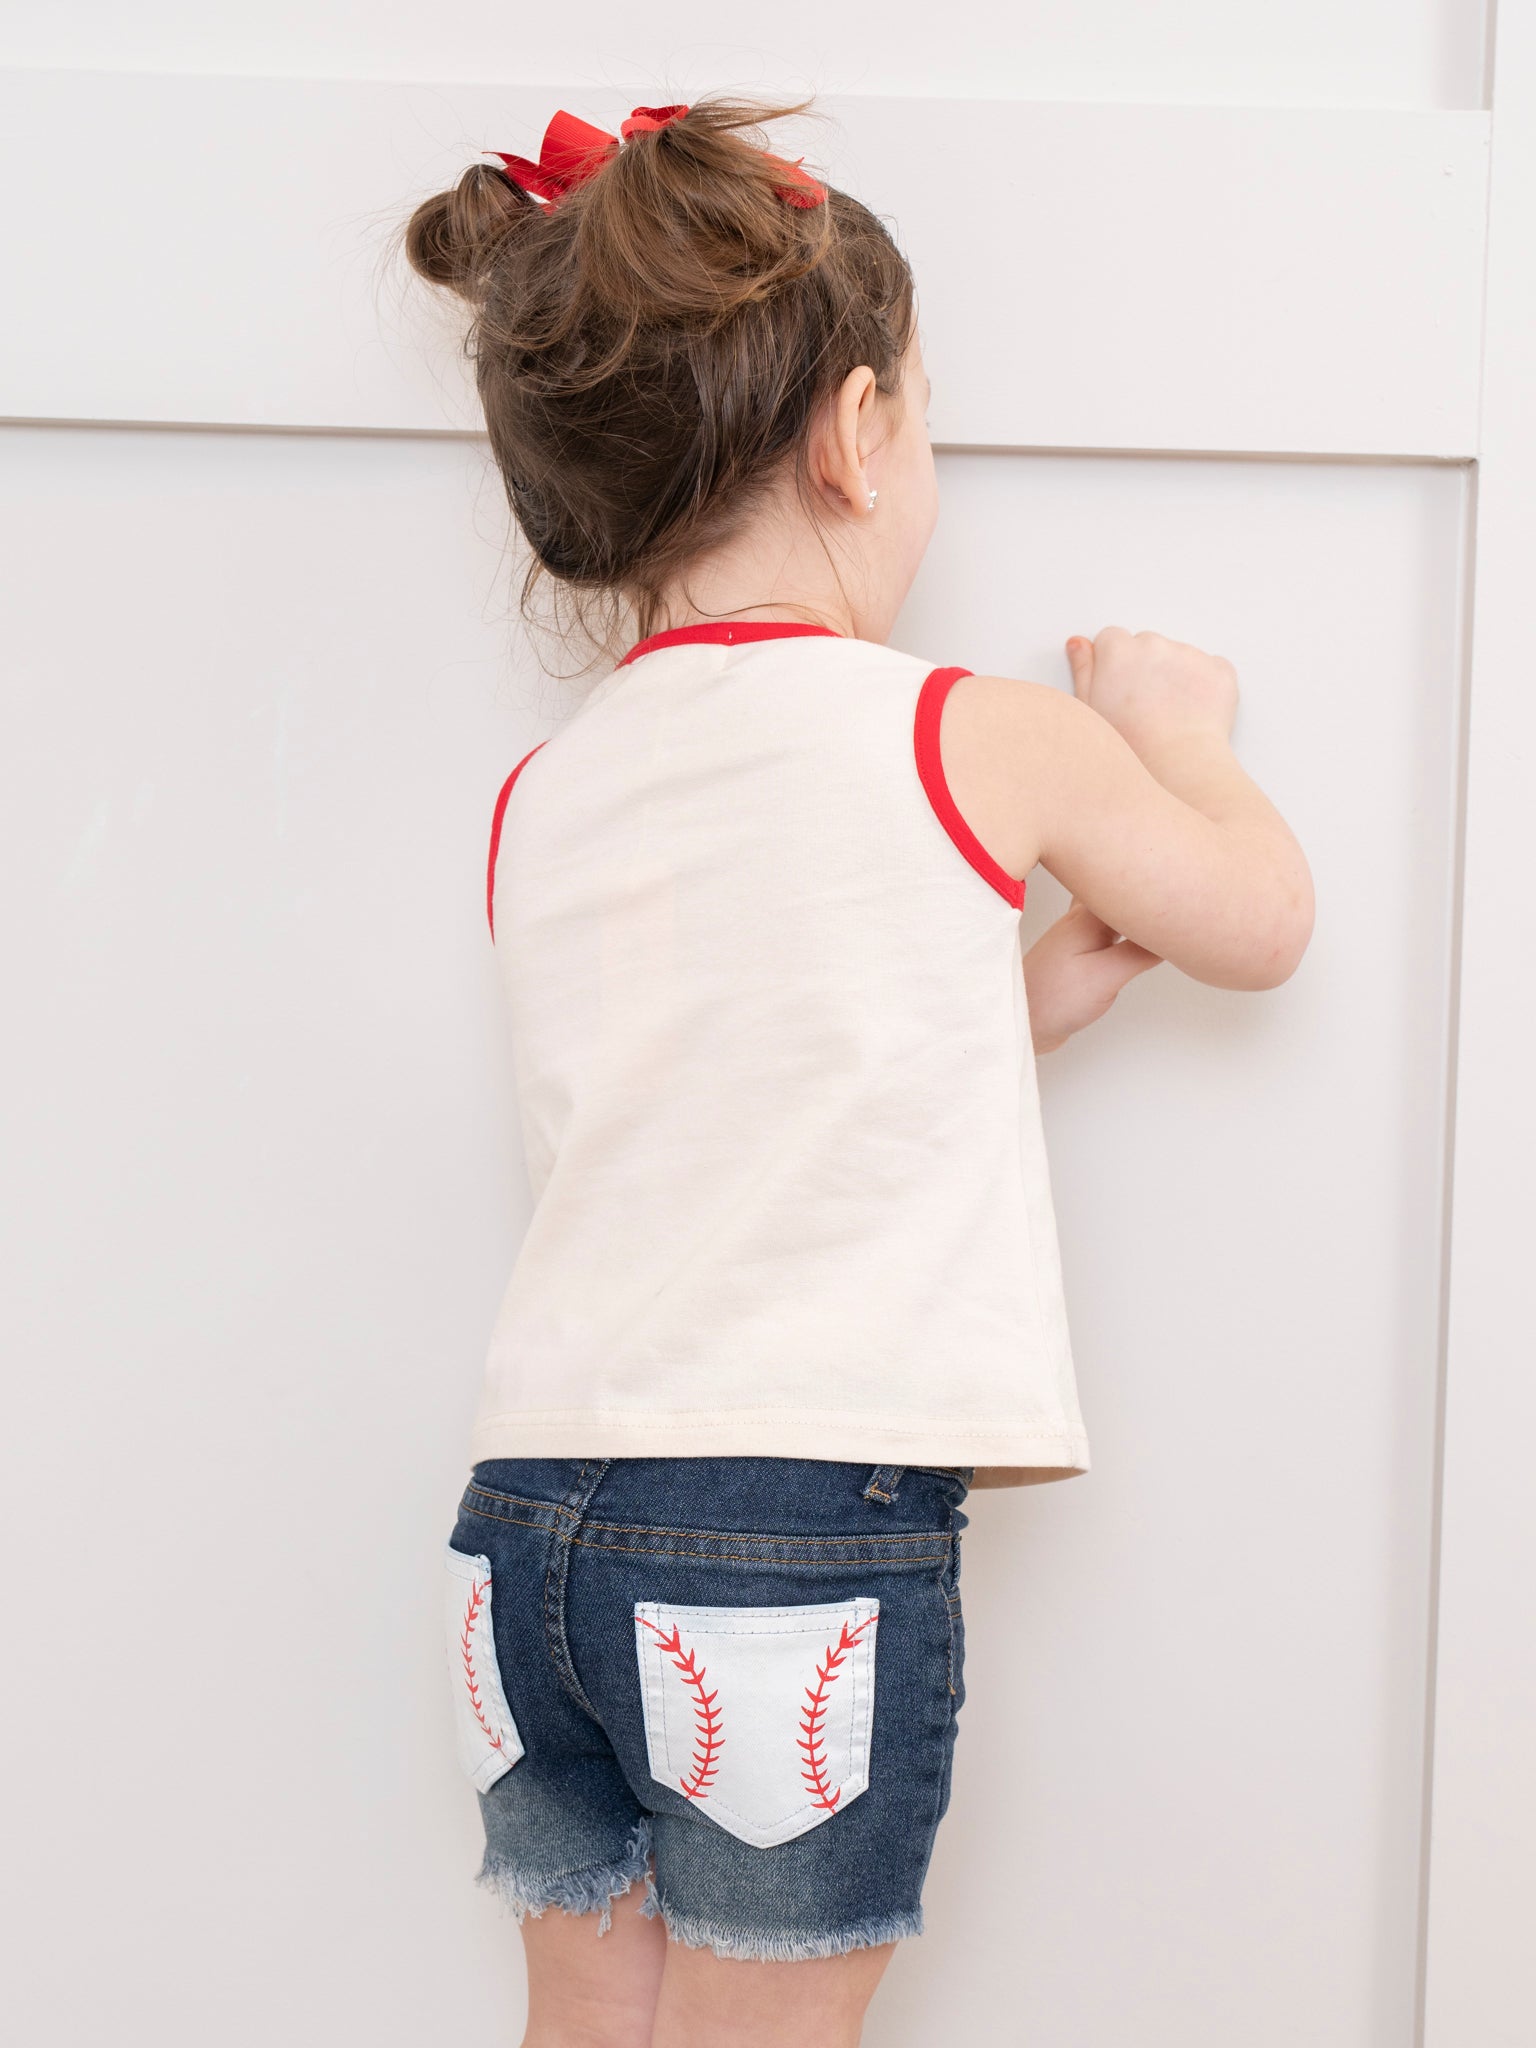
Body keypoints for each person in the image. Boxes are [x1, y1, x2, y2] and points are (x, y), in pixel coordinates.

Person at [402, 92, 1314, 2048]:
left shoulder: (545, 797)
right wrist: (1175, 730)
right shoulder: (960, 730)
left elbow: (727, 1075)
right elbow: (1256, 919)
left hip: (525, 1529)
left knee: (584, 2019)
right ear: (859, 428)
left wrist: (1013, 1005)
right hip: (782, 1539)